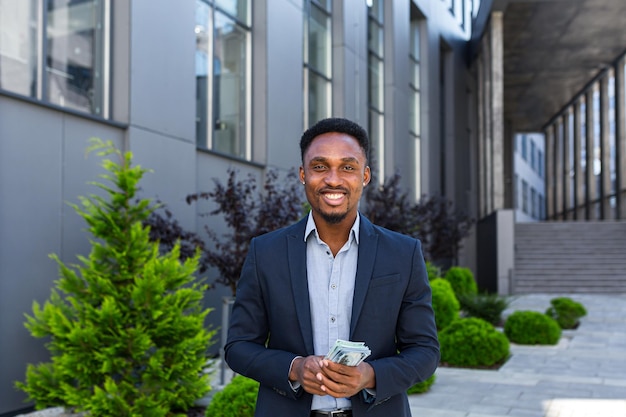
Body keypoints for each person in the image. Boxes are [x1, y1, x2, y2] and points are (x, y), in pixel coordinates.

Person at [224, 117, 439, 417]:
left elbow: (425, 351)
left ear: (365, 176)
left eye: (348, 167)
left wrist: (371, 375)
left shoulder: (403, 253)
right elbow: (238, 347)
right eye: (320, 166)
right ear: (303, 174)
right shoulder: (266, 252)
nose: (333, 180)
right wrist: (295, 369)